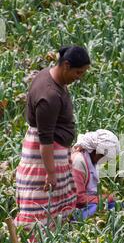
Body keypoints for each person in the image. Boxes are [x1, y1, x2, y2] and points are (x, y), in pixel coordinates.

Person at [15, 45, 91, 231]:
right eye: (78, 72)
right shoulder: (48, 96)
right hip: (44, 157)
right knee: (40, 202)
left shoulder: (53, 78)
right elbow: (45, 140)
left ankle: (52, 238)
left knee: (55, 204)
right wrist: (50, 173)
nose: (79, 77)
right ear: (66, 65)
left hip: (54, 152)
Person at [71, 129, 120, 219]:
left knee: (116, 205)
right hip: (72, 207)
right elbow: (79, 199)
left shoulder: (91, 160)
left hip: (84, 202)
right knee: (96, 207)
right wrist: (105, 198)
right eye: (103, 156)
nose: (105, 160)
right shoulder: (78, 161)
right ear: (95, 151)